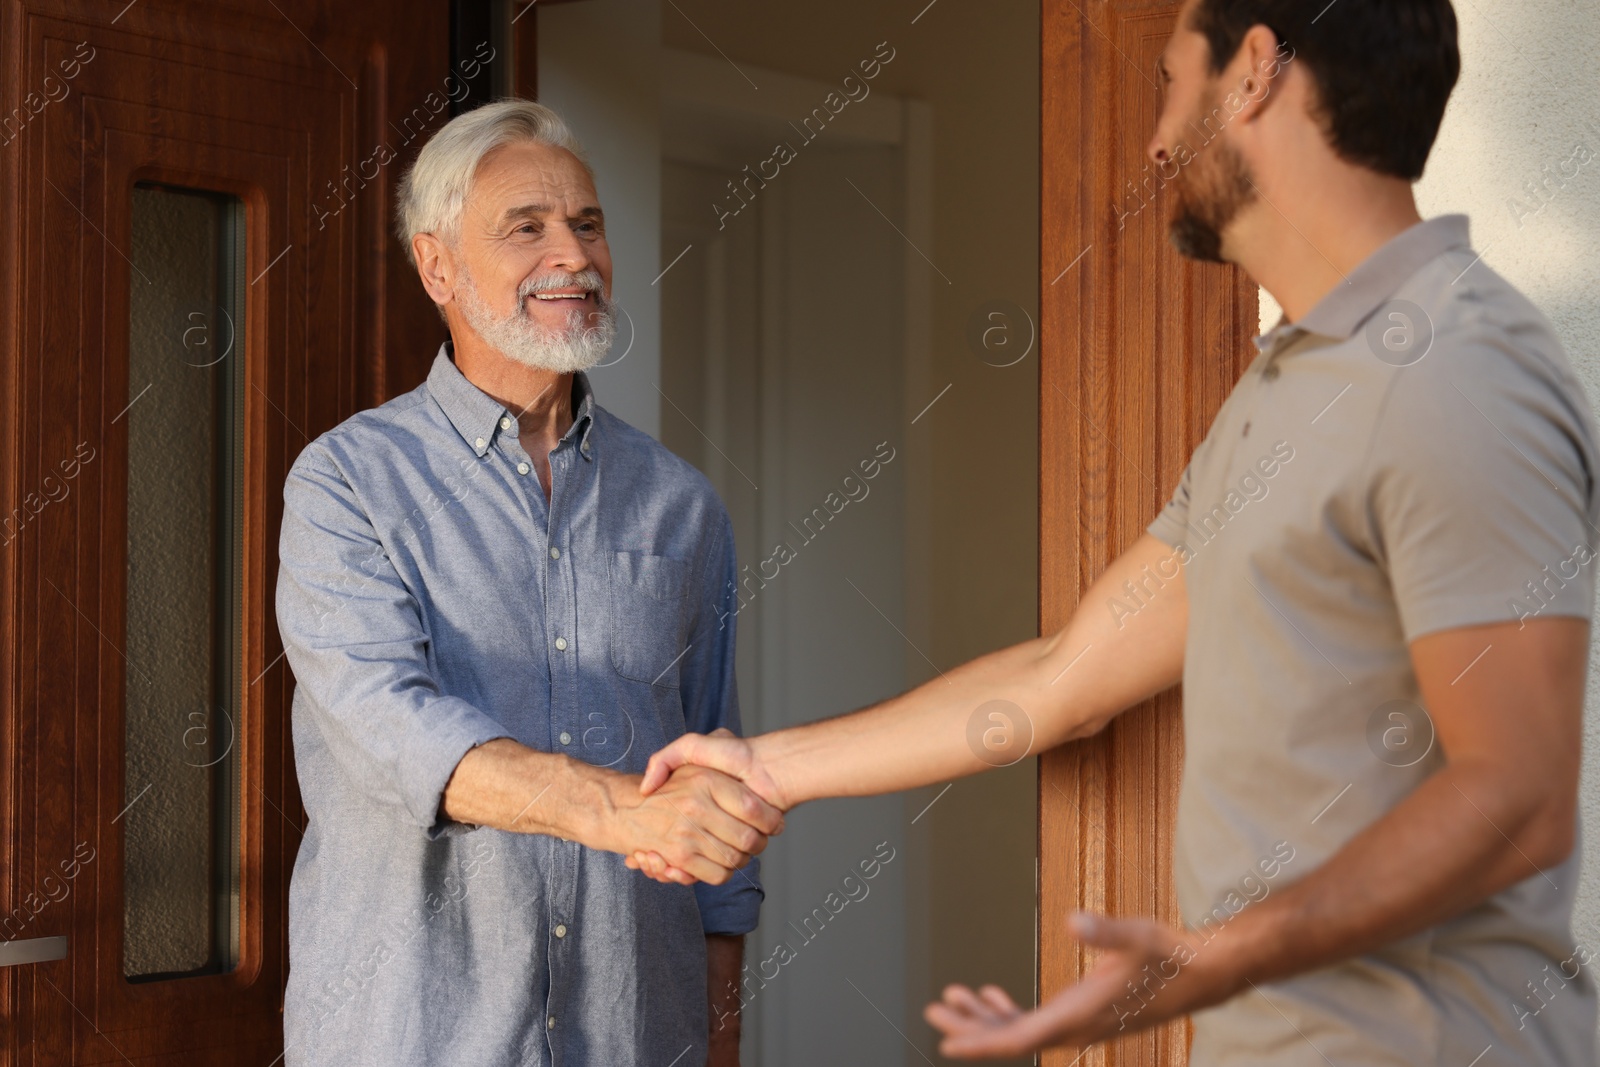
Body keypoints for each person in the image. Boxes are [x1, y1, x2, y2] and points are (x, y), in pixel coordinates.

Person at [635, 1, 1600, 1062]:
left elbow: (1515, 800)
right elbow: (1064, 677)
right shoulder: (1283, 390)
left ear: (1253, 74)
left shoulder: (1455, 368)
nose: (1153, 137)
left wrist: (1208, 961)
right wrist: (768, 765)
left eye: (1168, 81)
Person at [275, 99, 779, 1066]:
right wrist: (621, 806)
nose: (575, 257)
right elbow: (397, 731)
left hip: (636, 1031)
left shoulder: (682, 505)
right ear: (437, 267)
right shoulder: (346, 482)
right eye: (527, 229)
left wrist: (720, 1037)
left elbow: (719, 800)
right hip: (409, 1036)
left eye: (587, 224)